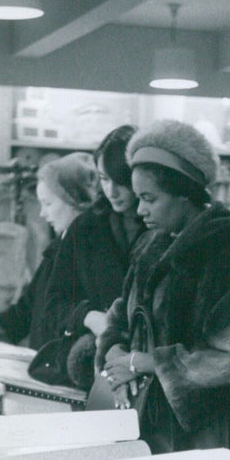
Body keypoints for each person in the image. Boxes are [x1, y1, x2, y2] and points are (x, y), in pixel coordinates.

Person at [96, 119, 230, 460]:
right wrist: (115, 351)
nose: (140, 210)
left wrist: (147, 363)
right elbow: (120, 313)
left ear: (186, 194)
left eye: (149, 199)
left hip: (203, 438)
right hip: (144, 425)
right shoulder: (150, 245)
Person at [0, 152, 96, 349]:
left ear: (75, 200)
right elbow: (28, 308)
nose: (42, 213)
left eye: (48, 204)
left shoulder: (92, 250)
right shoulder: (60, 246)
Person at [43, 125, 146, 390]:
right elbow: (53, 303)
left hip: (147, 372)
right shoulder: (85, 227)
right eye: (104, 179)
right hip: (92, 372)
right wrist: (89, 317)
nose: (112, 191)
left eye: (121, 181)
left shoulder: (162, 228)